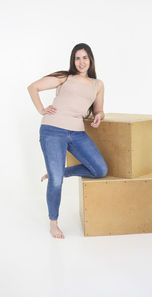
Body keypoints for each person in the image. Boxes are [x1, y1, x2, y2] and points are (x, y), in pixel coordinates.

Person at [27, 43, 108, 239]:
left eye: (85, 58)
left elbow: (98, 110)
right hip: (53, 130)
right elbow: (33, 87)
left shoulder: (98, 85)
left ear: (91, 60)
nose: (81, 62)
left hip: (77, 133)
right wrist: (41, 109)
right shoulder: (65, 77)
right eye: (77, 58)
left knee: (100, 170)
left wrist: (100, 115)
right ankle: (53, 223)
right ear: (73, 61)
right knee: (55, 182)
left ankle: (60, 172)